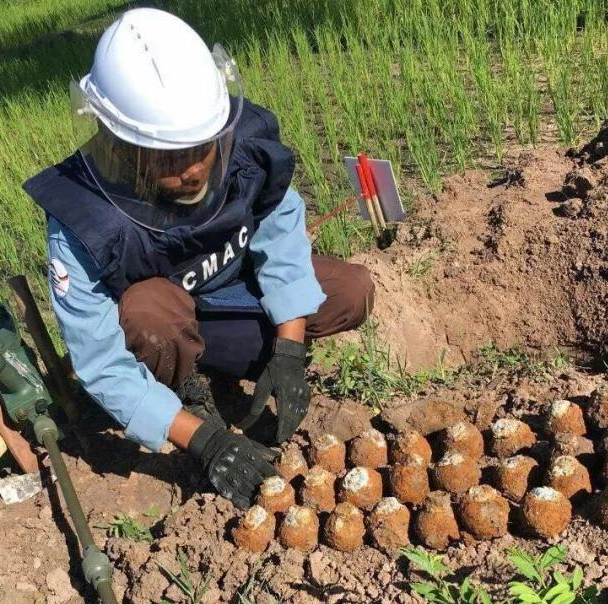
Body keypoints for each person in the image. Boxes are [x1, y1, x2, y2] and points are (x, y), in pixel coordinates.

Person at [23, 8, 374, 508]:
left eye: (201, 148)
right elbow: (101, 360)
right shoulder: (86, 223)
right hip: (159, 332)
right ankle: (185, 387)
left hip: (232, 303)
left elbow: (281, 229)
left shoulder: (244, 150)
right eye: (167, 155)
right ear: (123, 146)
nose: (191, 170)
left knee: (349, 291)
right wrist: (205, 440)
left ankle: (240, 358)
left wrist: (290, 350)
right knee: (150, 314)